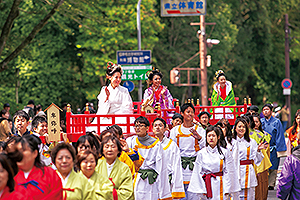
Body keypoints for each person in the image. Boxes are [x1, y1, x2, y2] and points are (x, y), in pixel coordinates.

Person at [188, 126, 240, 199]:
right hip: (206, 183)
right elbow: (197, 172)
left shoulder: (225, 152)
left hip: (221, 183)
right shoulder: (201, 153)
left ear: (218, 137)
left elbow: (229, 171)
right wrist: (201, 189)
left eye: (213, 136)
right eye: (209, 136)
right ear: (206, 137)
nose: (211, 138)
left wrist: (228, 189)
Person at [126, 116, 171, 199]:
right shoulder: (130, 141)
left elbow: (161, 165)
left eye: (140, 125)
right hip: (135, 176)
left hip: (150, 179)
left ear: (147, 128)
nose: (137, 128)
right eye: (136, 126)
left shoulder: (156, 144)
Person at [8, 135, 63, 200]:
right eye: (17, 151)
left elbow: (56, 195)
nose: (19, 154)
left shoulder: (50, 174)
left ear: (35, 153)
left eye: (23, 150)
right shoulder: (10, 175)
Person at [169, 103, 206, 199]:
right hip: (179, 166)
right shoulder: (175, 130)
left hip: (195, 165)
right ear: (182, 113)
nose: (190, 114)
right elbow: (171, 149)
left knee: (194, 193)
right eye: (188, 112)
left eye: (192, 112)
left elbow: (205, 148)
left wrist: (200, 138)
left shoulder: (200, 130)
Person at [88, 61, 133, 133]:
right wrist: (106, 99)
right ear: (110, 77)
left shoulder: (124, 90)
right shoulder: (104, 90)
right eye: (116, 77)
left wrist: (115, 115)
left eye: (120, 77)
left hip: (121, 117)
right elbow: (101, 109)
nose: (118, 80)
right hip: (106, 117)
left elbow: (127, 107)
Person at [232, 118, 266, 199]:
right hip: (235, 171)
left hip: (248, 172)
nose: (241, 129)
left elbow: (257, 160)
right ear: (235, 128)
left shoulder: (252, 142)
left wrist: (258, 150)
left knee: (249, 195)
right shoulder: (230, 142)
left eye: (243, 127)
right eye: (239, 126)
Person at [152, 118, 185, 199]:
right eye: (155, 126)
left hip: (167, 180)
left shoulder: (172, 145)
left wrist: (175, 185)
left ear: (165, 128)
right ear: (152, 129)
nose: (157, 128)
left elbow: (176, 166)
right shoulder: (149, 144)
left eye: (160, 125)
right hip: (152, 181)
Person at [96, 135, 134, 200]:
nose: (109, 149)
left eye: (113, 146)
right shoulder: (96, 165)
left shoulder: (124, 168)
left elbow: (126, 192)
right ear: (102, 150)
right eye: (106, 146)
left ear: (119, 150)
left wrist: (107, 193)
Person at [260, 103, 287, 190]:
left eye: (267, 109)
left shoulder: (276, 122)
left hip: (273, 147)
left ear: (271, 111)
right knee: (264, 166)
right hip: (263, 147)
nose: (265, 111)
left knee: (274, 166)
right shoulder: (261, 122)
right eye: (264, 110)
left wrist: (280, 149)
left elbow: (279, 135)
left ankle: (271, 184)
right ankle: (265, 182)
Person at [249, 113, 272, 200]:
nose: (255, 124)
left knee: (262, 187)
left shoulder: (265, 135)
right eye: (253, 122)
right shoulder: (247, 136)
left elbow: (267, 152)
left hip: (262, 163)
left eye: (257, 122)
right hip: (251, 164)